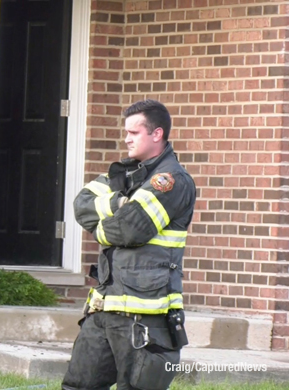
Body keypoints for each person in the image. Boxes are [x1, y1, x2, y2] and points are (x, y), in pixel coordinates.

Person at [62, 99, 196, 390]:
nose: (126, 139)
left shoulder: (171, 181)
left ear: (156, 134)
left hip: (146, 316)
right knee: (78, 385)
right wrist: (120, 201)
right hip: (104, 308)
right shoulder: (124, 173)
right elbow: (81, 204)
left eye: (134, 133)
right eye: (126, 132)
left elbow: (129, 229)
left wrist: (99, 228)